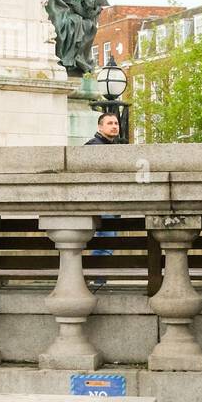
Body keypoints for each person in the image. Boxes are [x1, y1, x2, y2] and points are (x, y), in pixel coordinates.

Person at [86, 111, 122, 285]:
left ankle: (99, 280)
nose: (114, 126)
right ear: (100, 127)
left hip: (110, 203)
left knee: (107, 243)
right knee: (104, 243)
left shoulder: (110, 146)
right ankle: (98, 282)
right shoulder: (94, 146)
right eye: (110, 123)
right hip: (101, 204)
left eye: (116, 123)